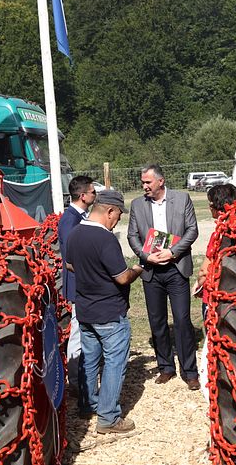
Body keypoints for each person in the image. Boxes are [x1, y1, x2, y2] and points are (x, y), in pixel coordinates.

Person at [65, 190, 143, 434]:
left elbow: (69, 264)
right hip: (109, 311)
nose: (118, 219)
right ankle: (109, 418)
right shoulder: (105, 239)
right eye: (118, 214)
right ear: (109, 211)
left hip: (85, 309)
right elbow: (122, 278)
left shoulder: (76, 232)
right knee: (113, 363)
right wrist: (139, 268)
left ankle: (88, 404)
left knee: (89, 359)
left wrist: (91, 274)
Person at [127, 164, 200, 390]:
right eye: (142, 183)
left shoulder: (182, 199)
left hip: (176, 268)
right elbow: (132, 235)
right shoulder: (137, 205)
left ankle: (189, 371)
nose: (144, 186)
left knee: (182, 320)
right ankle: (165, 367)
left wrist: (173, 251)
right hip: (152, 272)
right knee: (157, 322)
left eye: (148, 182)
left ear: (160, 181)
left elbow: (192, 230)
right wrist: (146, 256)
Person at [192, 184, 236, 402]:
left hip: (214, 298)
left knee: (214, 341)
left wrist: (200, 282)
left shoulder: (220, 233)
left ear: (214, 207)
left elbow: (206, 269)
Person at [57, 175, 95, 395]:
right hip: (79, 284)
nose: (94, 195)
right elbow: (72, 257)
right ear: (83, 196)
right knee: (79, 331)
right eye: (92, 192)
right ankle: (76, 380)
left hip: (82, 282)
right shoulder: (70, 220)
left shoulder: (77, 216)